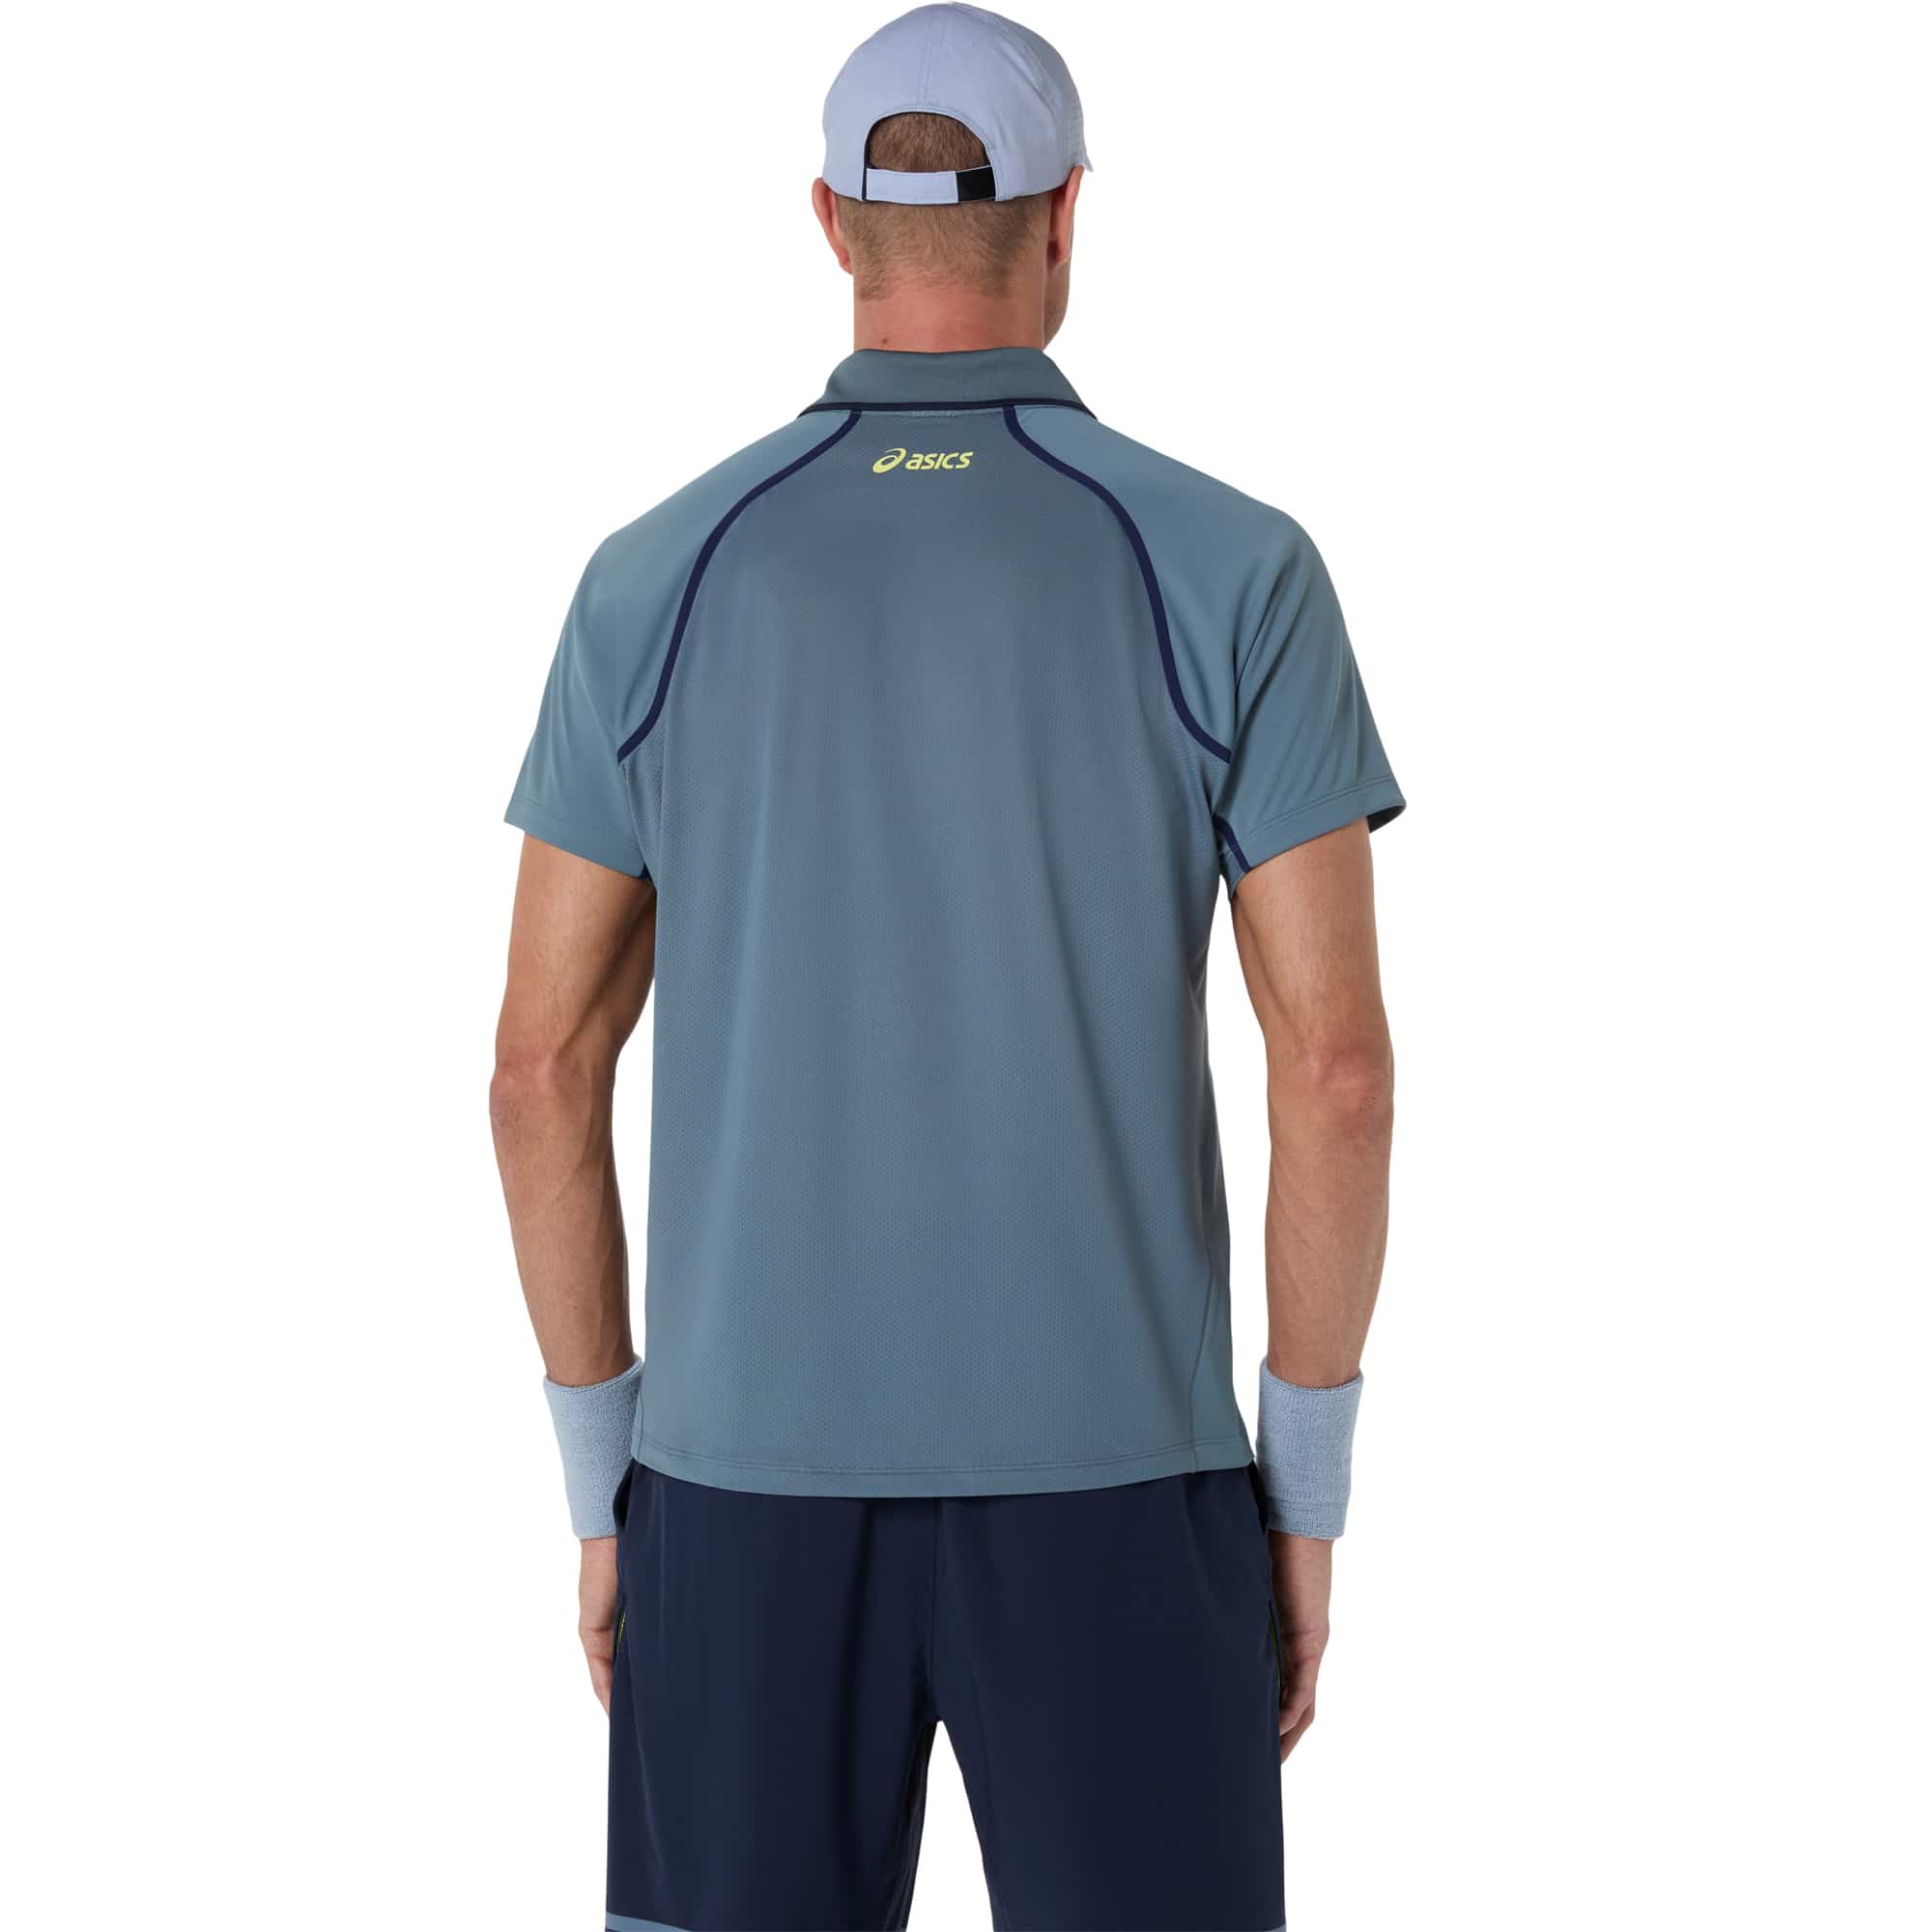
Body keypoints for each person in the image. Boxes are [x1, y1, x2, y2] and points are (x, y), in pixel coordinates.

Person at [491, 8, 1403, 1927]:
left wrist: (607, 1479)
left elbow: (540, 1069)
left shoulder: (658, 576)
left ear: (829, 223)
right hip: (1122, 1483)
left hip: (734, 1490)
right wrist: (1302, 1492)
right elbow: (1333, 1070)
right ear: (1068, 218)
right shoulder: (1230, 568)